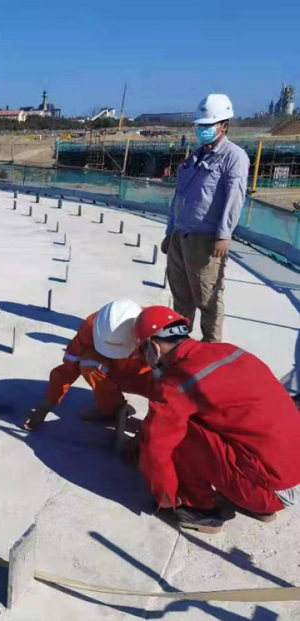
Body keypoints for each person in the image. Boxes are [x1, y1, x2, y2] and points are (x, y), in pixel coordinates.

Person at [133, 306, 300, 534]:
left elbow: (156, 448)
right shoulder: (229, 351)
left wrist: (165, 495)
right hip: (289, 474)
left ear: (153, 348)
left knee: (180, 432)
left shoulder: (177, 383)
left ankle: (201, 509)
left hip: (268, 491)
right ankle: (260, 503)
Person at [161, 94, 250, 343]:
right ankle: (178, 344)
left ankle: (211, 347)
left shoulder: (234, 157)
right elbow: (180, 195)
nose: (202, 130)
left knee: (208, 297)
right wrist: (170, 231)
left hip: (205, 239)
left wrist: (224, 235)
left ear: (224, 126)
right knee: (181, 295)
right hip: (180, 235)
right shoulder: (196, 155)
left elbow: (234, 198)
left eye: (208, 125)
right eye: (200, 125)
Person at [25, 300, 152, 431]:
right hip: (117, 373)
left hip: (147, 379)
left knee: (160, 413)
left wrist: (151, 431)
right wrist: (46, 404)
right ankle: (111, 409)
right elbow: (69, 367)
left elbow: (166, 384)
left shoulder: (156, 326)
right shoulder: (91, 326)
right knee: (89, 362)